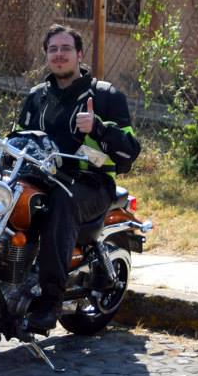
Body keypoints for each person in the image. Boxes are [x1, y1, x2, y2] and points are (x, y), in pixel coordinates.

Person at [15, 23, 140, 334]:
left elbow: (129, 152)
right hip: (41, 176)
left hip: (89, 183)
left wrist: (97, 127)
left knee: (62, 203)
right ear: (46, 56)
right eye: (53, 49)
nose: (59, 55)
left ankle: (50, 301)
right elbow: (19, 138)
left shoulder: (105, 95)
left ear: (79, 54)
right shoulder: (36, 97)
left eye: (66, 49)